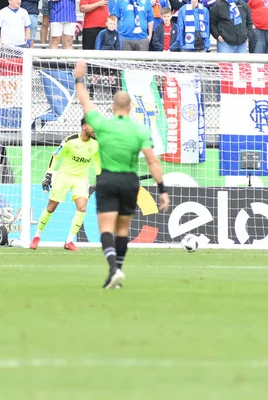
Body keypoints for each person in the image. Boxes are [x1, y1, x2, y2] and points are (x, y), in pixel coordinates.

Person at [73, 59, 170, 289]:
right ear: (131, 108)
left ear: (113, 107)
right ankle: (116, 273)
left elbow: (84, 101)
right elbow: (152, 161)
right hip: (129, 181)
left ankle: (114, 269)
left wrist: (79, 78)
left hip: (107, 179)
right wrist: (162, 189)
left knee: (106, 229)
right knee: (123, 230)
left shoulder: (102, 124)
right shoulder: (140, 130)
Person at [30, 118, 101, 251]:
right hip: (64, 177)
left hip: (81, 179)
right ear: (84, 126)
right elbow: (55, 155)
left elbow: (97, 161)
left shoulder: (96, 144)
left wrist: (99, 177)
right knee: (51, 208)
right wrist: (48, 175)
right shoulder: (70, 140)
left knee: (82, 208)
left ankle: (69, 241)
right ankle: (37, 236)